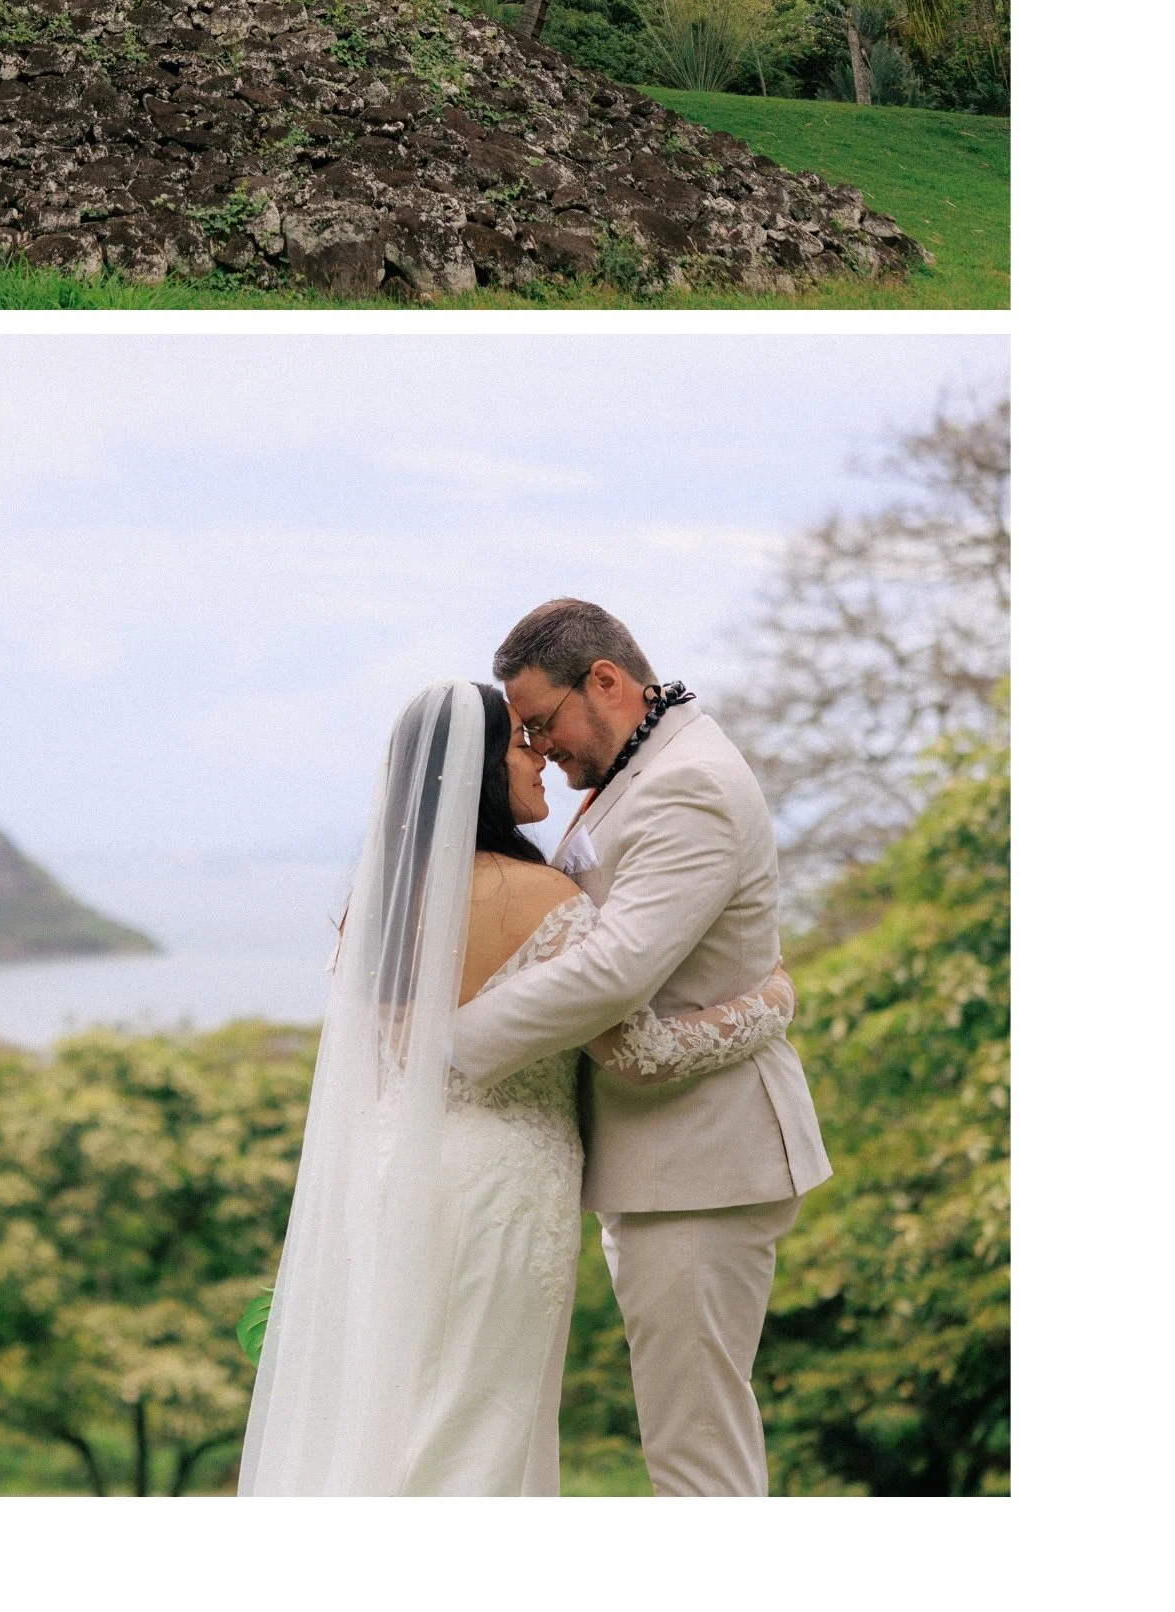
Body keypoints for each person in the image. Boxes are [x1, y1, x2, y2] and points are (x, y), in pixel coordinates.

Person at [240, 671, 796, 1496]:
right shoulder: (541, 898)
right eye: (518, 742)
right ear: (475, 774)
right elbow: (634, 1052)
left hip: (389, 1176)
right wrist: (769, 1004)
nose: (537, 757)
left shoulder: (377, 909)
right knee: (475, 1426)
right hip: (493, 1192)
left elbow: (388, 1052)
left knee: (392, 1415)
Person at [453, 597, 831, 1496]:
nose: (539, 750)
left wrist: (453, 1050)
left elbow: (618, 970)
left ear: (608, 681)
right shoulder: (644, 767)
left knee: (697, 1452)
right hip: (662, 1159)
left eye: (541, 723)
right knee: (684, 1433)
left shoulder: (688, 781)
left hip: (704, 1159)